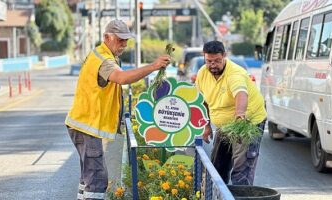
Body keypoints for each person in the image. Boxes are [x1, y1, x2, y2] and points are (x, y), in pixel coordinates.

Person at [65, 19, 170, 200]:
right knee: (97, 180)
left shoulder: (102, 55)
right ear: (107, 37)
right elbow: (121, 78)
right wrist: (153, 66)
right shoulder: (104, 60)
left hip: (82, 124)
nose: (124, 44)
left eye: (126, 40)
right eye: (120, 39)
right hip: (86, 126)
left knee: (88, 177)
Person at [195, 41, 266, 185]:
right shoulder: (203, 73)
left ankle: (241, 195)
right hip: (225, 124)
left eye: (217, 61)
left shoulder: (235, 74)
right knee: (218, 165)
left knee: (241, 168)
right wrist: (206, 126)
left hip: (246, 122)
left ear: (225, 56)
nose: (213, 65)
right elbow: (202, 101)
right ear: (204, 57)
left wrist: (240, 114)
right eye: (209, 61)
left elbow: (241, 93)